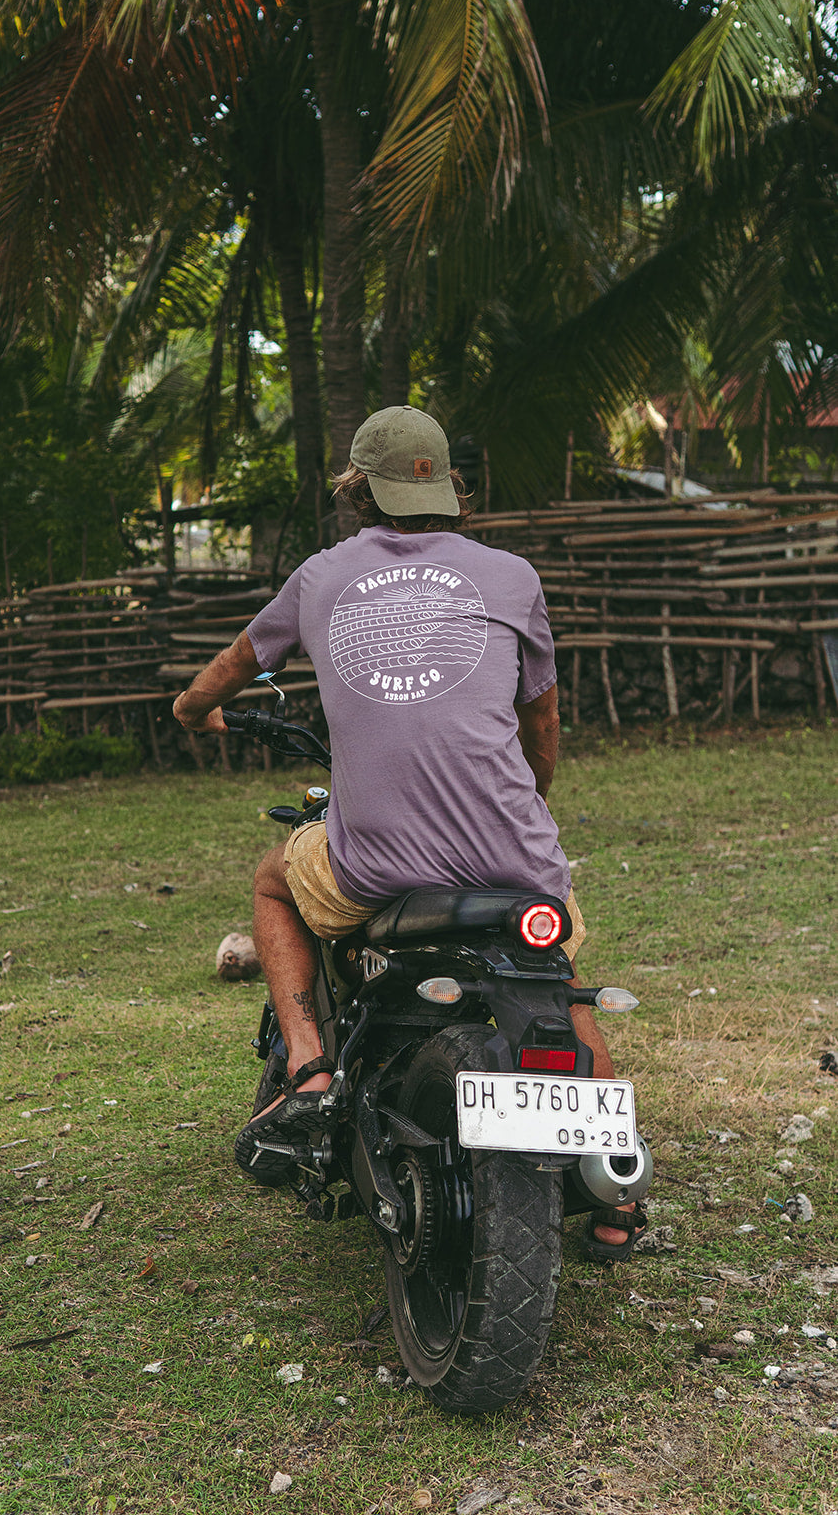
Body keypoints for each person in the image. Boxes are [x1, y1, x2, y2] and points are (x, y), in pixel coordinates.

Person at [173, 405, 644, 1261]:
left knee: (273, 880)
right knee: (555, 981)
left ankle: (309, 1067)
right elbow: (540, 719)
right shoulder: (510, 576)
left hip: (374, 867)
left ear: (357, 489)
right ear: (448, 488)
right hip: (513, 864)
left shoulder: (320, 577)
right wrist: (527, 803)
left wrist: (191, 707)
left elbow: (237, 664)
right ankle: (619, 1193)